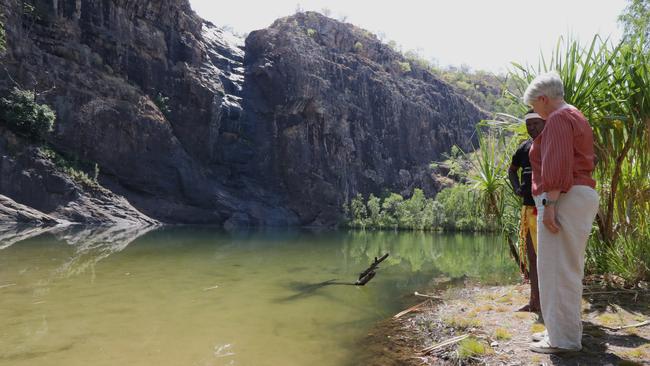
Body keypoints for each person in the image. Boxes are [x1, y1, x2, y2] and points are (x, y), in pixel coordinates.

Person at [523, 71, 599, 354]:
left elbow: (557, 165)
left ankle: (563, 341)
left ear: (544, 99)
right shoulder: (575, 115)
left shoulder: (557, 119)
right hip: (577, 196)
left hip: (564, 198)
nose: (535, 112)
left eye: (534, 105)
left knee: (558, 270)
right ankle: (559, 332)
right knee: (562, 268)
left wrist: (550, 206)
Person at [508, 109, 545, 313]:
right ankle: (534, 302)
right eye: (528, 125)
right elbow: (511, 170)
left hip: (547, 208)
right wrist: (516, 188)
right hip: (529, 209)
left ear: (545, 123)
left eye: (536, 124)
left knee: (549, 257)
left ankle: (549, 302)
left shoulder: (552, 144)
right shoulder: (524, 148)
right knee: (532, 257)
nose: (532, 128)